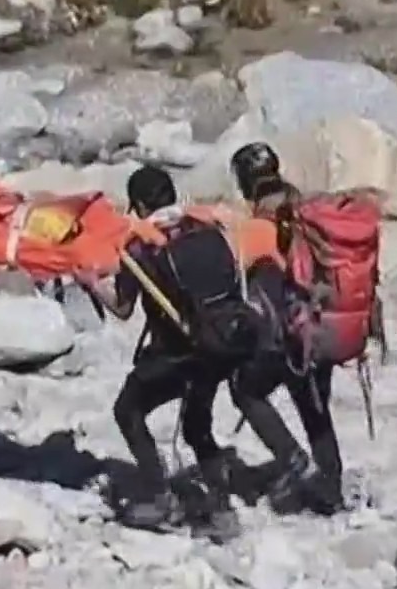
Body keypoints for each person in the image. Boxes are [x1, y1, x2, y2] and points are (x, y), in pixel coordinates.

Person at [85, 165, 309, 528]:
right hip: (221, 346)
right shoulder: (207, 227)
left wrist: (92, 283)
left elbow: (122, 308)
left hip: (179, 352)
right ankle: (221, 511)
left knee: (127, 410)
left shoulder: (141, 246)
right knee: (196, 425)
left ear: (139, 206)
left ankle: (162, 499)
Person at [229, 142, 345, 514]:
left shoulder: (253, 228)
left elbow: (245, 285)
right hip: (318, 327)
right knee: (315, 408)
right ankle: (331, 490)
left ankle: (290, 456)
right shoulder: (308, 214)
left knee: (246, 392)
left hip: (280, 336)